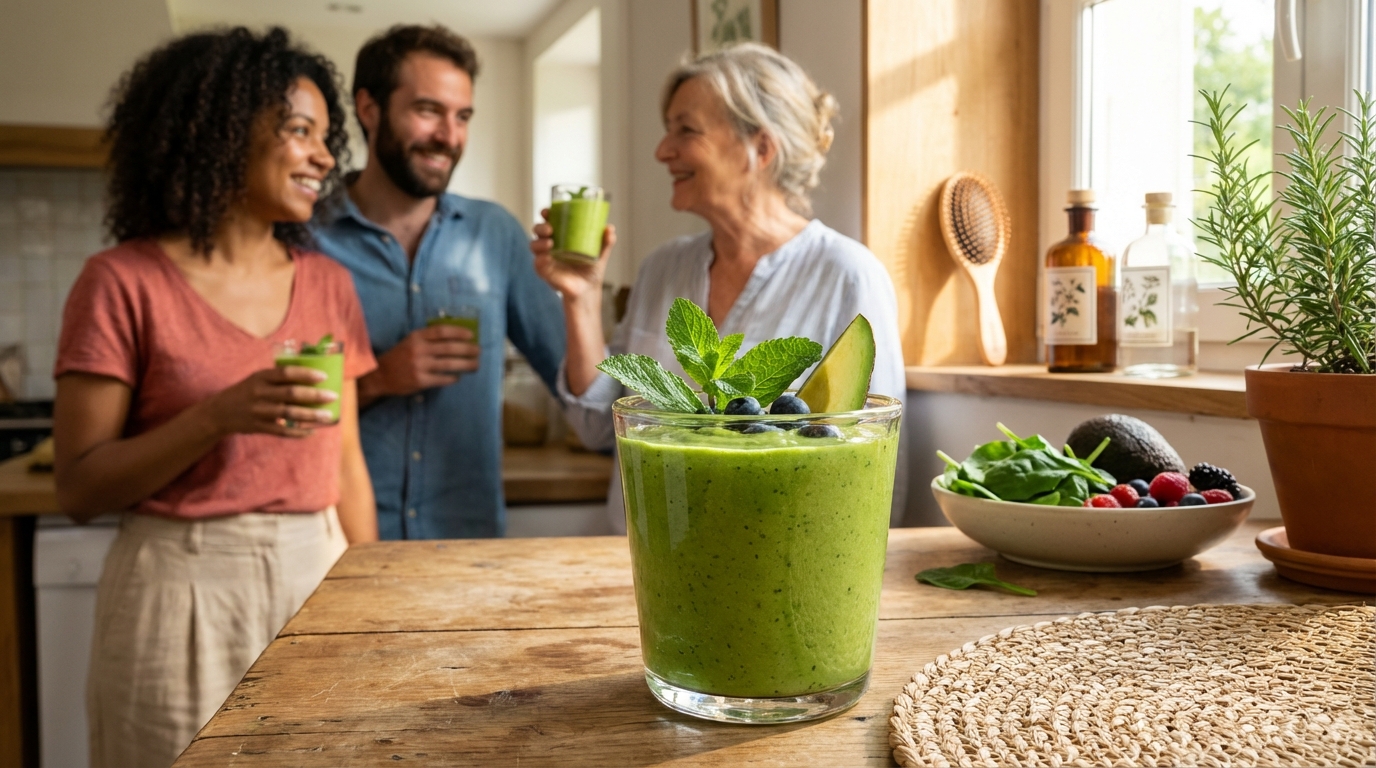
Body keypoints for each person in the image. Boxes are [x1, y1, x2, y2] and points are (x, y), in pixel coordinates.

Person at [51, 28, 376, 768]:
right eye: (300, 132)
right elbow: (79, 487)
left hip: (315, 569)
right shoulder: (120, 282)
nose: (326, 158)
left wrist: (370, 602)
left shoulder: (328, 284)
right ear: (222, 134)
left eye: (327, 137)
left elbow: (347, 467)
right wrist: (215, 417)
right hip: (178, 587)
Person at [532, 43, 907, 530]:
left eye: (685, 130)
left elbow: (878, 475)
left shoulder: (847, 274)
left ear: (761, 149)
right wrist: (580, 296)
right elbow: (596, 428)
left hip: (770, 563)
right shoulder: (662, 269)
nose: (662, 151)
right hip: (647, 552)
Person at [314, 25, 566, 539]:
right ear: (368, 109)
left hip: (467, 543)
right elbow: (266, 412)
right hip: (338, 543)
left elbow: (577, 382)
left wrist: (581, 297)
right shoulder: (307, 239)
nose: (450, 137)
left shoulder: (494, 234)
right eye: (428, 110)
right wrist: (379, 379)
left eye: (463, 116)